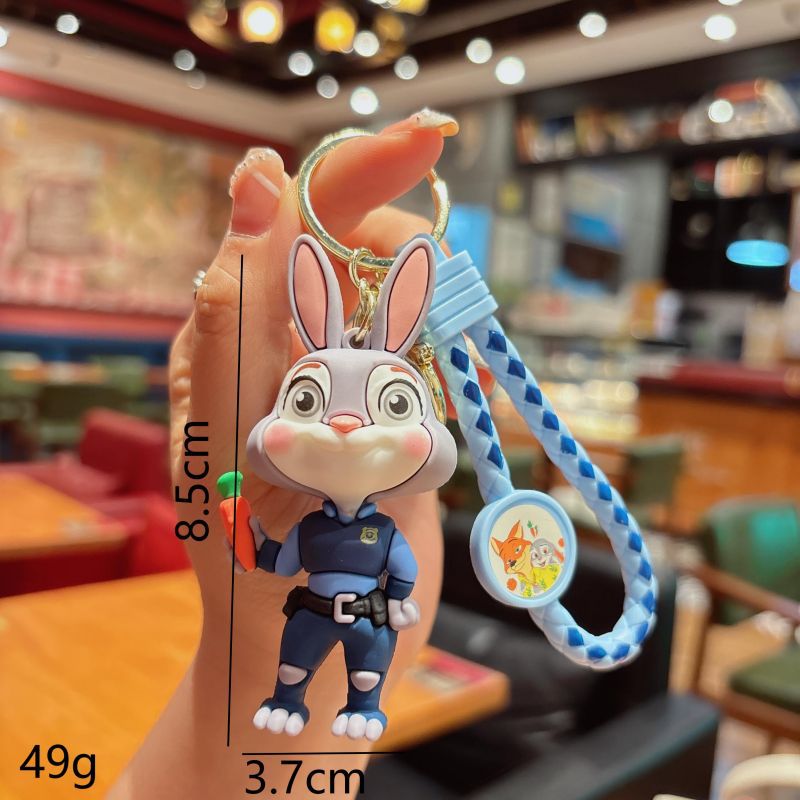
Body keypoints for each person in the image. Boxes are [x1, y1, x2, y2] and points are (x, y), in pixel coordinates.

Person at [107, 108, 458, 799]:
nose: (348, 426)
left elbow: (401, 568)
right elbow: (276, 561)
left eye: (392, 405)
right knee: (294, 660)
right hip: (309, 611)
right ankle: (292, 695)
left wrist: (401, 602)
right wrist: (248, 538)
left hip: (365, 617)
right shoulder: (313, 525)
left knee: (365, 664)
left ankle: (358, 701)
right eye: (309, 401)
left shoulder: (385, 530)